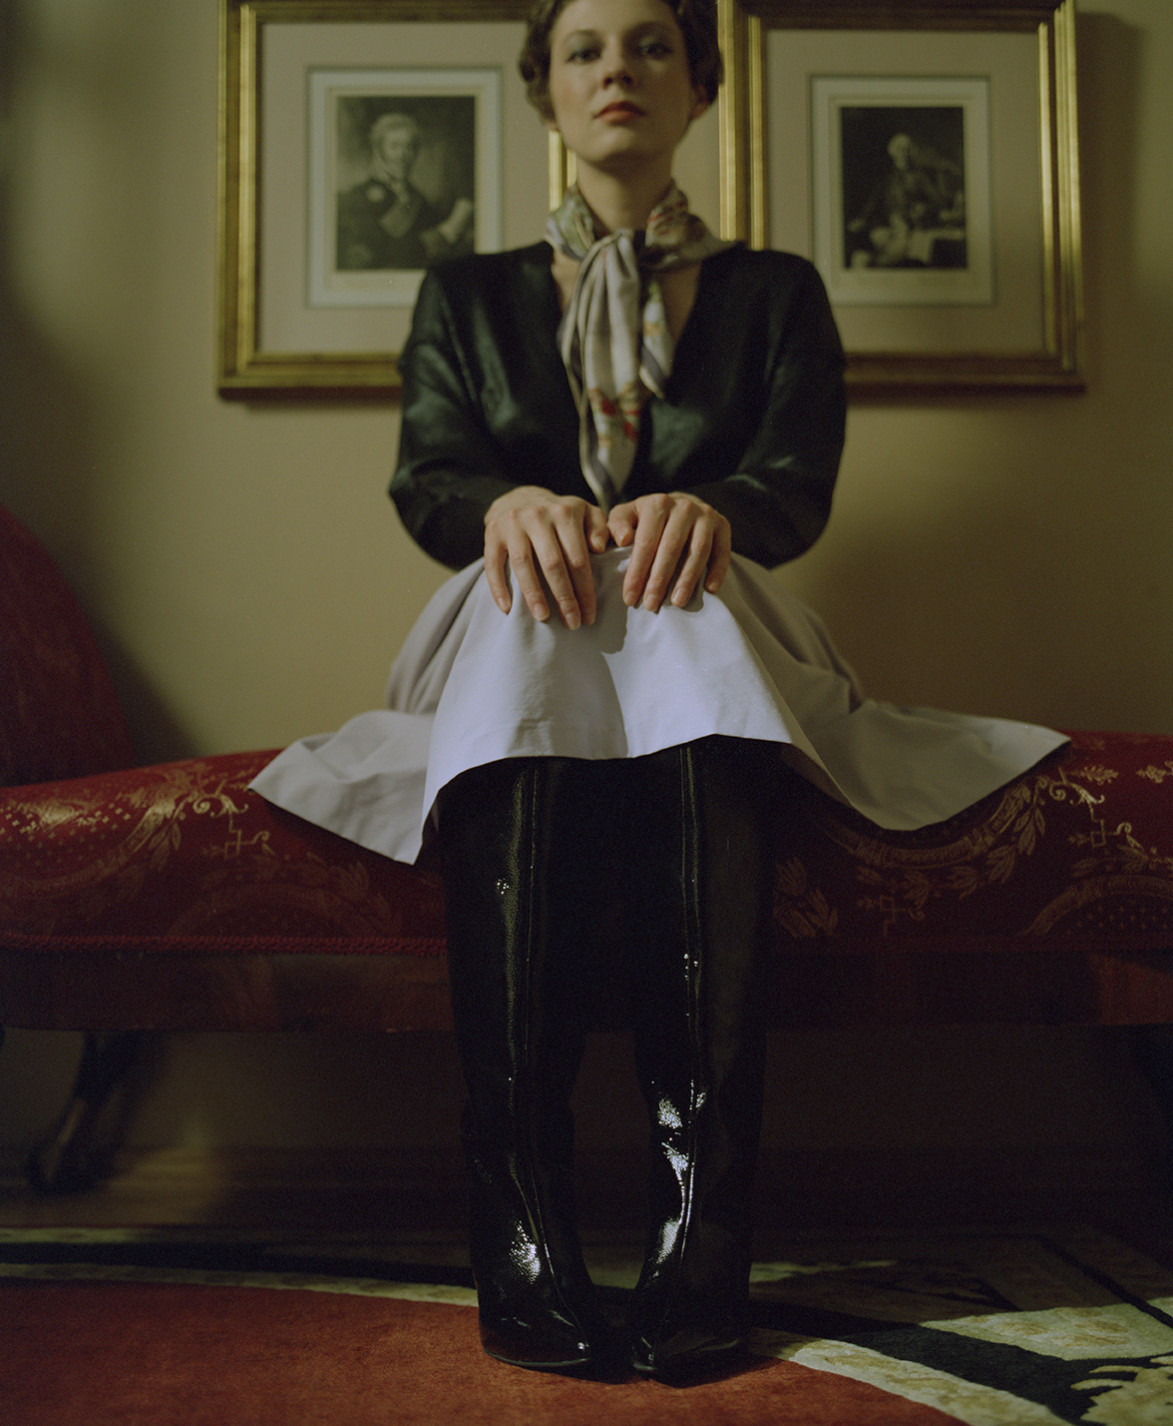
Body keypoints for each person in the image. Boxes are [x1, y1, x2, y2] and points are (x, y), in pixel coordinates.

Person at [252, 0, 1065, 1383]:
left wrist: (709, 510)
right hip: (501, 627)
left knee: (669, 596)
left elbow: (794, 485)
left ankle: (703, 1227)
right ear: (546, 89)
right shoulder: (464, 295)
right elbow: (430, 478)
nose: (615, 69)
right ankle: (522, 1215)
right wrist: (511, 504)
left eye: (648, 44)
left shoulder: (778, 291)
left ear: (700, 85)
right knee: (543, 596)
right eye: (583, 49)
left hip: (723, 616)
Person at [336, 111, 475, 271]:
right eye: (394, 146)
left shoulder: (418, 199)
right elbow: (377, 252)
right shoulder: (355, 197)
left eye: (409, 147)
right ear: (378, 150)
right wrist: (449, 230)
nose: (402, 155)